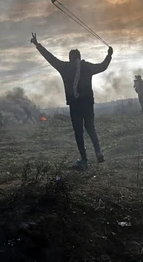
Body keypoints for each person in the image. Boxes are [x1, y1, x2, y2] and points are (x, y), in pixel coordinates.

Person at [31, 32, 112, 170]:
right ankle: (98, 152)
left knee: (78, 131)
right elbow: (103, 66)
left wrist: (38, 45)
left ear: (70, 58)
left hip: (75, 105)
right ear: (80, 58)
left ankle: (84, 159)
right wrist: (109, 55)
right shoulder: (86, 66)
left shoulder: (65, 67)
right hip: (88, 102)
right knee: (90, 127)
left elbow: (50, 58)